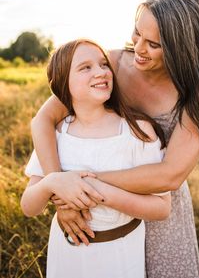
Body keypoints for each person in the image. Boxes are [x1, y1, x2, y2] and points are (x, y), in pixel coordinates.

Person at [30, 0, 199, 278]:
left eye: (154, 44)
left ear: (181, 48)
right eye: (137, 33)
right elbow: (43, 120)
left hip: (156, 207)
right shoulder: (109, 65)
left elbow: (170, 175)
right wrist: (61, 191)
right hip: (97, 214)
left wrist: (82, 186)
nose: (138, 48)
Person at [21, 39, 171, 278]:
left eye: (103, 64)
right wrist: (52, 182)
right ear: (62, 83)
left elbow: (162, 207)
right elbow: (29, 206)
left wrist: (98, 191)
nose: (101, 72)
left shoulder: (137, 131)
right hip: (66, 253)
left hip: (120, 254)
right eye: (85, 67)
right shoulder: (57, 134)